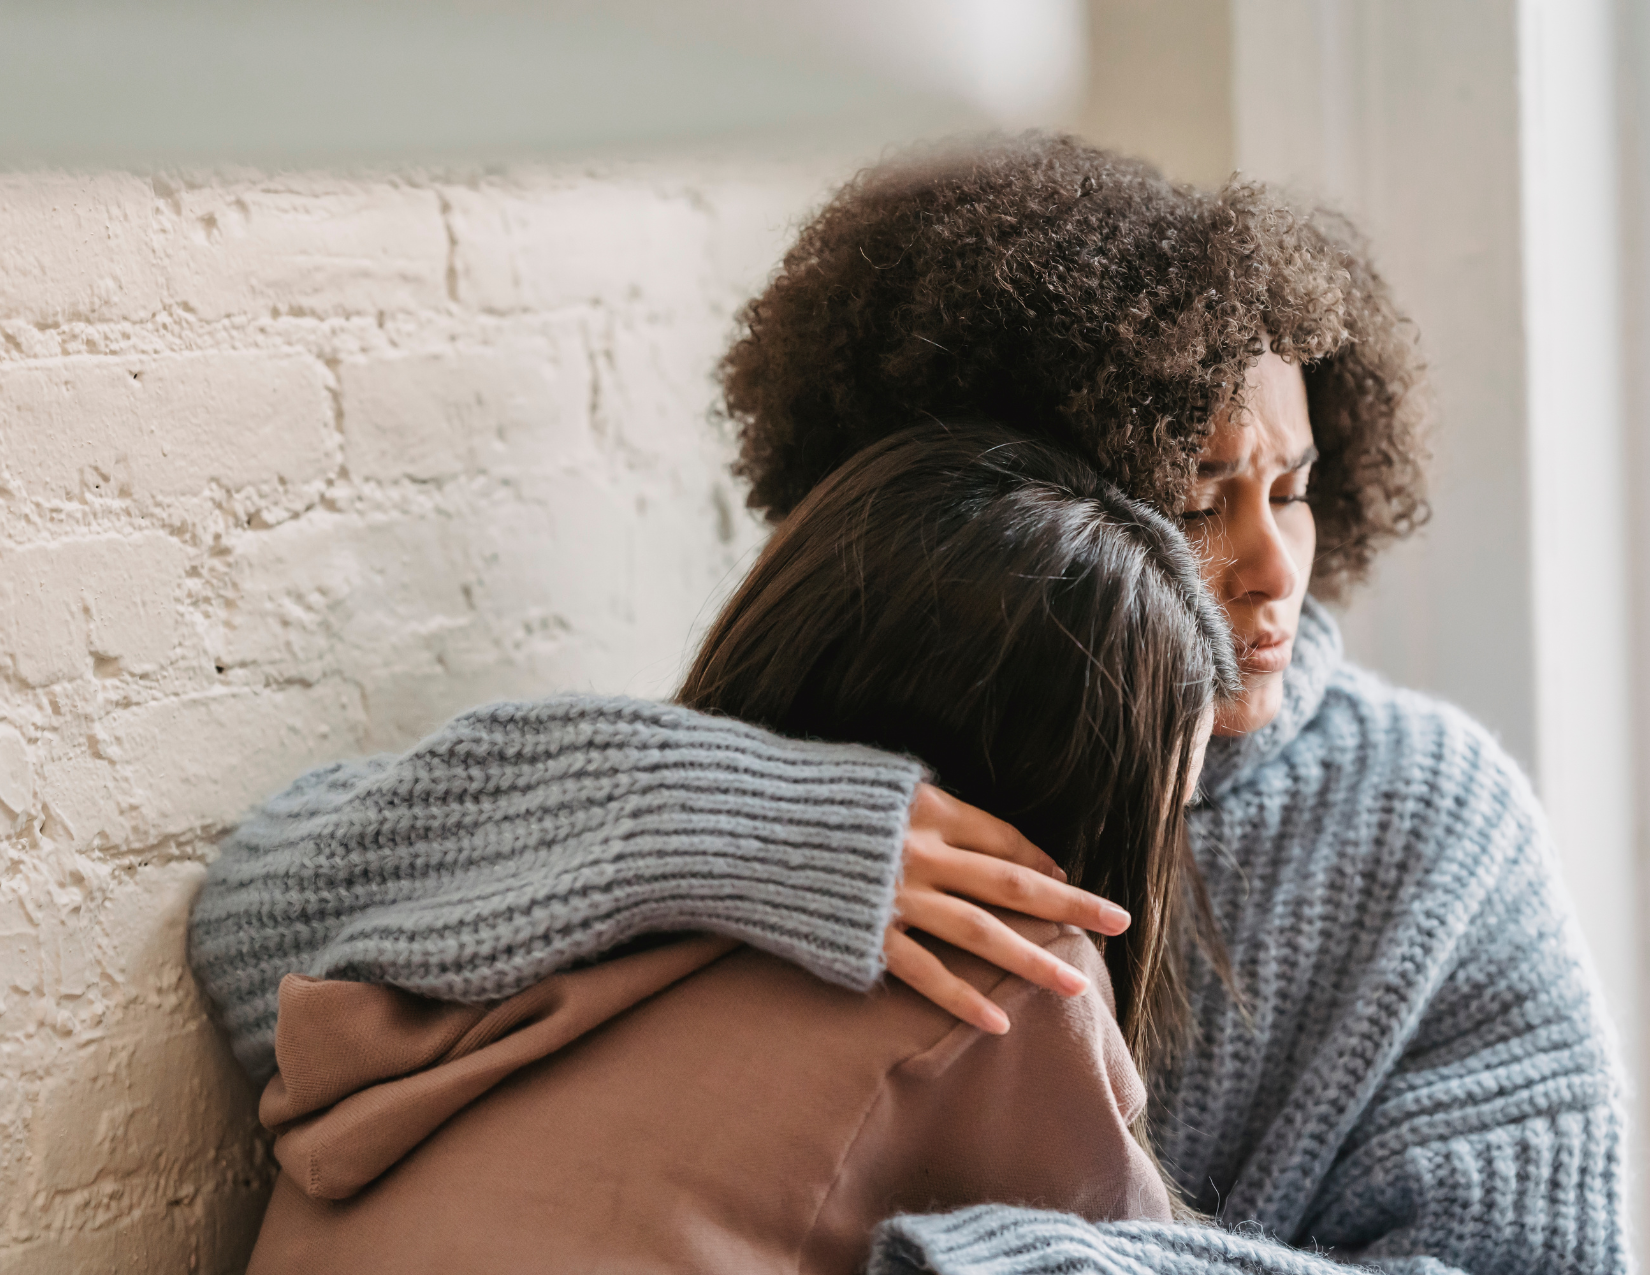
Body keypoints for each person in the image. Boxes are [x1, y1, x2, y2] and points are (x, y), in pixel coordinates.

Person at [192, 134, 1628, 1274]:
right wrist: (756, 819)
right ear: (1023, 505)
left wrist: (1032, 1256)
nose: (1272, 568)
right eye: (1194, 498)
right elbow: (258, 930)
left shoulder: (1429, 822)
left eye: (1294, 487)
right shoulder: (822, 749)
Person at [240, 426, 1233, 1273]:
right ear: (1092, 803)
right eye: (1165, 812)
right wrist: (805, 825)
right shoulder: (1010, 968)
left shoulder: (563, 895)